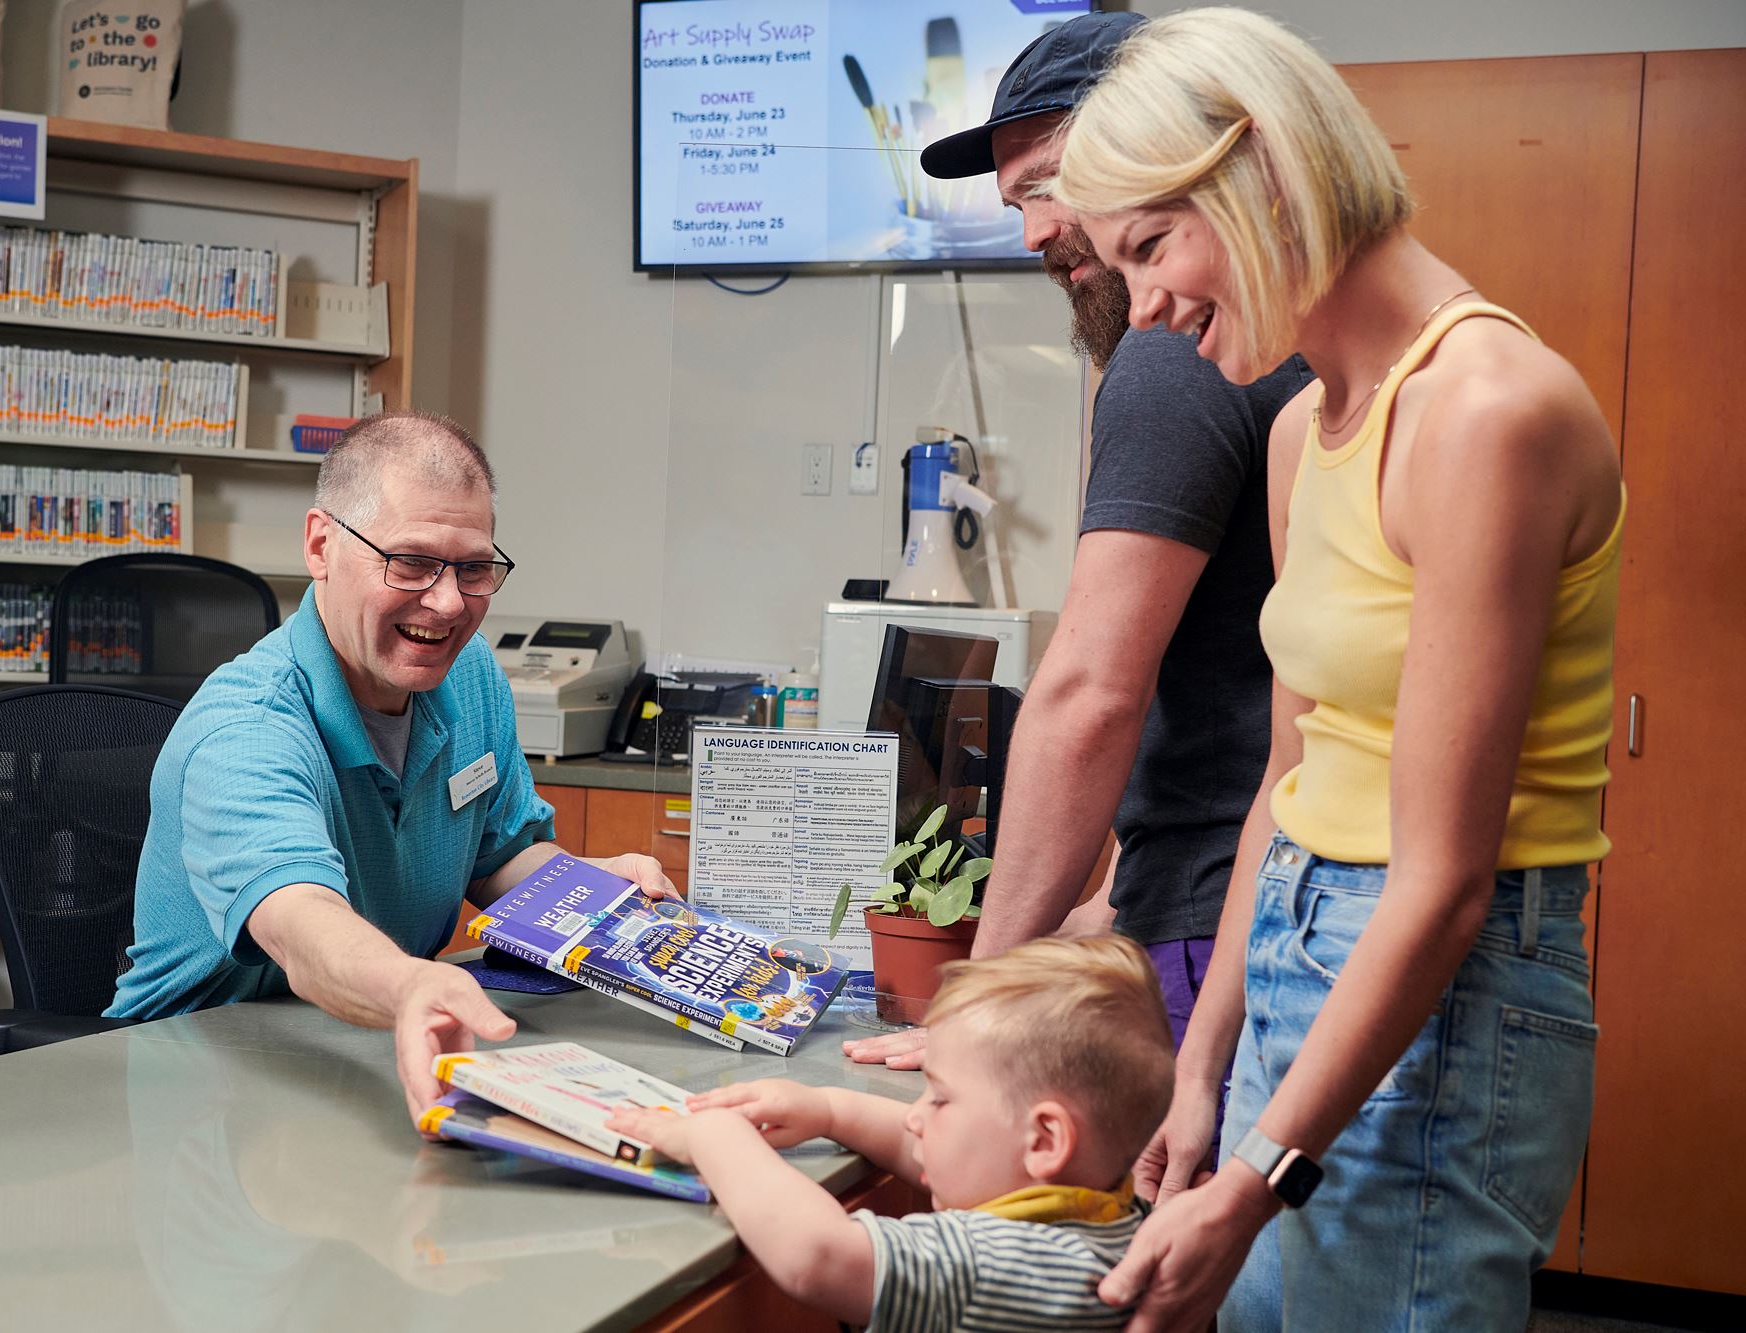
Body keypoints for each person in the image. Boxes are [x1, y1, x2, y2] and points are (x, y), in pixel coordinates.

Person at [1050, 10, 1625, 1329]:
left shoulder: (1488, 411)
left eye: (1153, 246)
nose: (1145, 308)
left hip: (1443, 974)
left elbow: (1443, 880)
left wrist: (1258, 1175)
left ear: (1259, 170)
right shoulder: (1303, 428)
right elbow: (1289, 778)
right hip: (1300, 943)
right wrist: (1204, 1073)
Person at [845, 9, 1313, 1123]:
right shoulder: (1287, 354)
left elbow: (1091, 690)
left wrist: (980, 993)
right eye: (1015, 204)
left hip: (1215, 921)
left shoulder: (1170, 357)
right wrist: (1101, 904)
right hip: (1250, 901)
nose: (1034, 234)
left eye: (1052, 184)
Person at [107, 412, 678, 1122]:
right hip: (202, 1086)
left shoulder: (468, 678)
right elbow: (303, 928)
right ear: (321, 545)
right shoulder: (244, 730)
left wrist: (594, 889)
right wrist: (411, 988)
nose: (446, 603)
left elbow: (503, 853)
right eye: (410, 562)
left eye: (474, 568)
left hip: (362, 1049)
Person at [607, 936, 1176, 1332]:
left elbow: (820, 1256)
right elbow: (935, 1151)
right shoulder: (1120, 1216)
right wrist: (829, 1109)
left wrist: (713, 1134)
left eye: (942, 1097)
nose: (915, 1116)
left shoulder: (1001, 1265)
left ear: (1046, 1140)